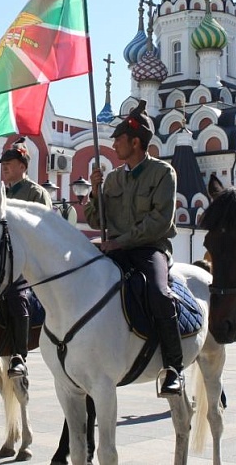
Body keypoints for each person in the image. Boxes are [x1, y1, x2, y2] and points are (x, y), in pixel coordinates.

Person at [84, 100, 184, 397]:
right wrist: (94, 191)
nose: (114, 145)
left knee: (158, 293)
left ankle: (173, 369)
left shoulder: (163, 173)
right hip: (115, 248)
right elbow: (94, 219)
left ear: (136, 142)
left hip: (149, 248)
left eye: (119, 140)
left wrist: (119, 242)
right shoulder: (113, 177)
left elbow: (159, 221)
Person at [0, 137, 52, 378]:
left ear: (22, 165)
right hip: (4, 261)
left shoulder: (36, 193)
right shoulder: (3, 194)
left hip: (29, 262)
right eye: (3, 163)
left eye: (9, 162)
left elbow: (44, 230)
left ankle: (19, 355)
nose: (5, 166)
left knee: (17, 295)